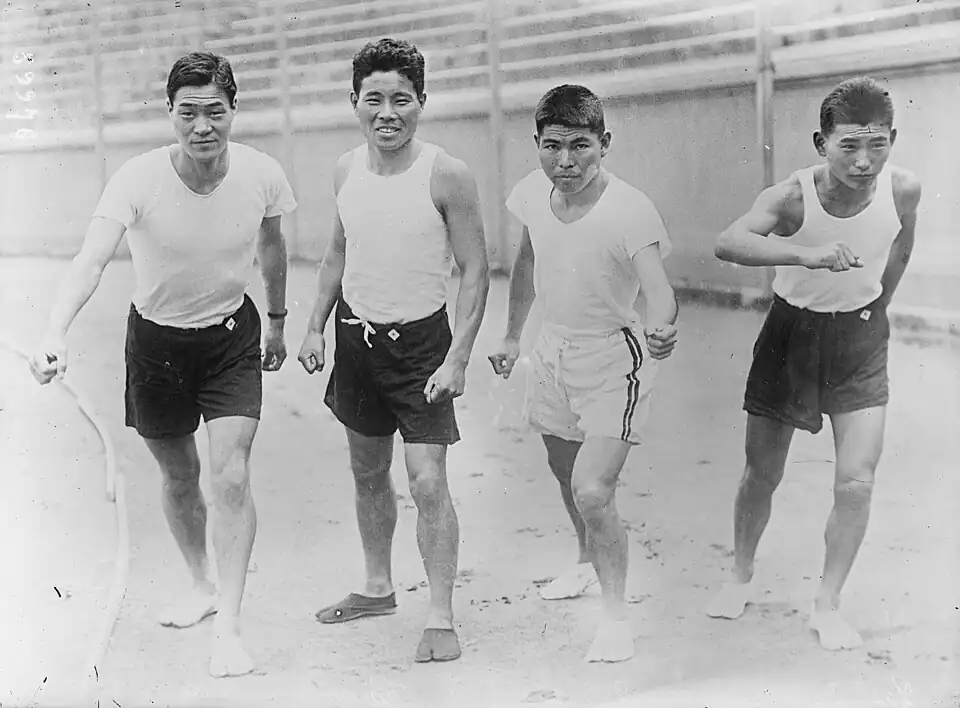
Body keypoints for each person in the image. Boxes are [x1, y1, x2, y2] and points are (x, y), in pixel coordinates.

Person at [28, 51, 297, 677]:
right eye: (189, 113)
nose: (203, 126)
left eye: (216, 112)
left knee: (230, 477)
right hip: (156, 345)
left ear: (234, 110)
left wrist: (279, 321)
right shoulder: (137, 178)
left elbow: (273, 247)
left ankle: (229, 628)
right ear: (170, 114)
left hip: (230, 338)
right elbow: (92, 260)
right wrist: (54, 331)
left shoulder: (261, 173)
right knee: (180, 477)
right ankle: (202, 584)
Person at [706, 76, 921, 651]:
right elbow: (728, 242)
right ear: (821, 143)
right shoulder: (791, 197)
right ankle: (740, 574)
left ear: (893, 140)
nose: (863, 161)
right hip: (791, 336)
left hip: (860, 340)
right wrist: (807, 255)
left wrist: (878, 306)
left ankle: (828, 603)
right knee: (762, 473)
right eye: (849, 145)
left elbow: (901, 247)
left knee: (857, 482)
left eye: (876, 144)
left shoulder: (903, 189)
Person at [297, 38, 489, 663]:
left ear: (422, 102)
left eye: (401, 99)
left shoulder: (447, 173)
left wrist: (458, 357)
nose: (387, 113)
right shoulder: (344, 169)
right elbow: (337, 253)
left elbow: (476, 269)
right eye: (373, 99)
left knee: (428, 480)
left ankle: (440, 615)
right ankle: (378, 588)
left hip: (423, 348)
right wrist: (314, 326)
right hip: (357, 339)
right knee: (367, 470)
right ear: (353, 101)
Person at [488, 84, 678, 663]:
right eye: (552, 146)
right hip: (552, 350)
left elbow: (659, 291)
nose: (565, 161)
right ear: (537, 145)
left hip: (613, 359)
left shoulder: (630, 209)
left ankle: (615, 619)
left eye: (580, 146)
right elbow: (527, 262)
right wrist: (512, 335)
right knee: (563, 468)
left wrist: (663, 325)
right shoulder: (531, 192)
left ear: (604, 143)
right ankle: (585, 560)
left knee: (592, 489)